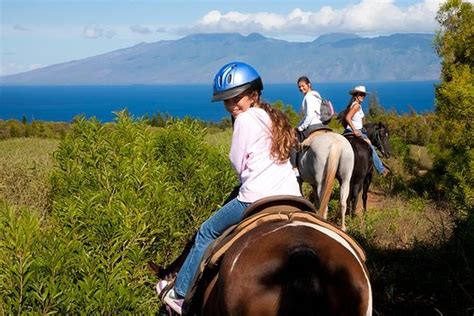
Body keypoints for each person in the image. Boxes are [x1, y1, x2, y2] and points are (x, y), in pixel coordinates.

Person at [155, 62, 302, 314]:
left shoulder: (244, 119)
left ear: (254, 95)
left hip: (255, 197)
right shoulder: (271, 117)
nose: (233, 105)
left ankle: (179, 294)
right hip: (291, 194)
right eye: (227, 101)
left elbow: (236, 160)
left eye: (237, 99)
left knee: (206, 232)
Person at [342, 85, 388, 176]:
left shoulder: (355, 105)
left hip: (352, 130)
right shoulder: (356, 106)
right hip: (355, 131)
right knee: (370, 147)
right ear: (356, 95)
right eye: (360, 94)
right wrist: (355, 130)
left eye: (364, 95)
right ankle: (381, 169)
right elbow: (348, 117)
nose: (362, 96)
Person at [290, 76, 325, 173]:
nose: (301, 89)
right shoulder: (317, 96)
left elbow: (309, 116)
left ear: (309, 85)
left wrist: (300, 128)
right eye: (299, 87)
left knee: (292, 140)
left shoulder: (308, 97)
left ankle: (294, 168)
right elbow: (308, 116)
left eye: (303, 86)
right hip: (321, 125)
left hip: (312, 126)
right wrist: (298, 125)